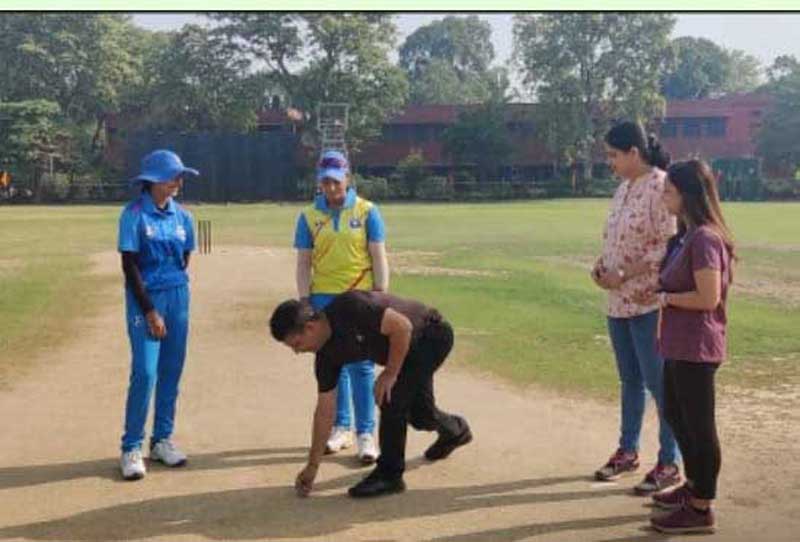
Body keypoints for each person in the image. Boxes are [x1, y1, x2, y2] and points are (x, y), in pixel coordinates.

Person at [269, 290, 473, 498]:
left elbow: (402, 326)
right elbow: (324, 411)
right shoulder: (325, 358)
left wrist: (390, 373)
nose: (297, 352)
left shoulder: (351, 307)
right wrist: (312, 467)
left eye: (297, 344)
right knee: (421, 416)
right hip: (406, 350)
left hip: (430, 336)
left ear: (310, 328)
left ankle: (389, 475)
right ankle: (456, 431)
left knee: (391, 398)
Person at [637, 160, 734, 534]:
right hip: (678, 345)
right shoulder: (686, 235)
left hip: (697, 346)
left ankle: (701, 507)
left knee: (699, 427)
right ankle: (692, 487)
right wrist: (663, 292)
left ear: (689, 195)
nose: (664, 196)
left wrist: (665, 300)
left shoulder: (706, 238)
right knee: (678, 418)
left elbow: (707, 298)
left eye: (669, 191)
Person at [590, 121, 681, 495]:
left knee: (661, 385)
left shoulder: (661, 186)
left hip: (647, 301)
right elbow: (614, 240)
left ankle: (669, 461)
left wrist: (625, 272)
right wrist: (601, 268)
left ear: (634, 152)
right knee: (630, 381)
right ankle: (628, 451)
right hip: (618, 302)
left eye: (613, 155)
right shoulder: (623, 189)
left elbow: (668, 245)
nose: (609, 162)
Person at [294, 149, 388, 464]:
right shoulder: (308, 216)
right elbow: (303, 262)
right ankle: (341, 427)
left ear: (347, 178)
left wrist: (380, 294)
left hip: (359, 300)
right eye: (325, 183)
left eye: (336, 182)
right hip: (323, 300)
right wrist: (304, 299)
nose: (331, 189)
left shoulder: (367, 211)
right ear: (319, 183)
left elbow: (378, 255)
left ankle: (366, 434)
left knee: (361, 366)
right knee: (333, 365)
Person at [117, 149, 199, 481]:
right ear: (154, 181)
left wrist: (171, 294)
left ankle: (162, 440)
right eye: (174, 177)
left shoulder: (184, 217)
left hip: (178, 296)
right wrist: (150, 310)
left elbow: (184, 258)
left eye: (181, 177)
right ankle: (131, 446)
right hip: (145, 299)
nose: (179, 182)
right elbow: (129, 265)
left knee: (171, 370)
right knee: (145, 372)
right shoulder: (134, 214)